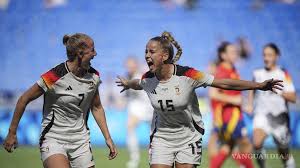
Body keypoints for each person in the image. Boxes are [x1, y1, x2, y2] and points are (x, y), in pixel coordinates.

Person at [116, 31, 283, 168]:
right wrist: (127, 83)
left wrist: (259, 85)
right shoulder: (148, 78)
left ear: (165, 55)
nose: (146, 55)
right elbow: (138, 83)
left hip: (188, 137)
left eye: (151, 52)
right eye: (145, 51)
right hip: (161, 138)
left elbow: (222, 83)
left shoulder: (189, 75)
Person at [3, 33, 118, 168]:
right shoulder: (55, 75)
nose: (95, 54)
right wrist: (12, 132)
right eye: (92, 50)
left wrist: (108, 138)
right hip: (53, 138)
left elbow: (97, 107)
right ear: (80, 54)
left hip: (81, 141)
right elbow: (24, 98)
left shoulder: (94, 76)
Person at [247, 43, 296, 168]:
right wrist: (250, 104)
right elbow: (251, 88)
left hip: (280, 118)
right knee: (257, 143)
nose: (266, 58)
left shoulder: (283, 74)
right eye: (264, 55)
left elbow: (293, 98)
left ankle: (289, 164)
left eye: (269, 55)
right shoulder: (257, 73)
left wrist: (279, 92)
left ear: (276, 56)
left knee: (284, 153)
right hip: (261, 114)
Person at [208, 42, 253, 168]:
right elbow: (213, 94)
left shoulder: (232, 70)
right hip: (229, 116)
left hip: (235, 114)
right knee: (245, 144)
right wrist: (235, 100)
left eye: (236, 51)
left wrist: (246, 103)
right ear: (223, 55)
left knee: (228, 147)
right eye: (232, 52)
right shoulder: (221, 72)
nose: (236, 54)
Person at [125, 57, 153, 168]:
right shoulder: (128, 76)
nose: (129, 67)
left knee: (153, 134)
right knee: (130, 127)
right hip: (136, 107)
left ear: (136, 65)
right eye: (128, 65)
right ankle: (134, 158)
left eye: (131, 65)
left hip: (149, 107)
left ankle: (153, 157)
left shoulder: (142, 74)